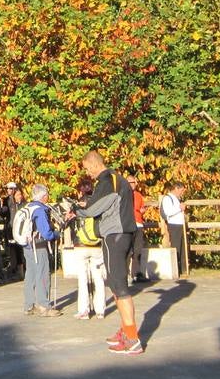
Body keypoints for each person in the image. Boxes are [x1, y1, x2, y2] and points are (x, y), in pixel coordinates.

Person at [80, 151, 143, 355]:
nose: (88, 173)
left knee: (118, 284)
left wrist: (77, 209)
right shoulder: (119, 179)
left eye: (88, 168)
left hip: (115, 235)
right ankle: (126, 330)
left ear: (94, 164)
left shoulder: (106, 180)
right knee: (116, 284)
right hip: (125, 234)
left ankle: (132, 338)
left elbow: (93, 209)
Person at [20, 184, 61, 316]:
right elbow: (46, 233)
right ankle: (44, 306)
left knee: (30, 274)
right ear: (44, 196)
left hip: (27, 245)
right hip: (39, 246)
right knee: (43, 274)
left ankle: (29, 305)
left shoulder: (27, 207)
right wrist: (56, 234)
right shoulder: (40, 210)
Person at [158, 181, 187, 278]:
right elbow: (168, 212)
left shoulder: (177, 199)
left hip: (180, 224)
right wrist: (180, 208)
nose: (182, 193)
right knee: (176, 246)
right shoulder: (167, 198)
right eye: (181, 190)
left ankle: (184, 269)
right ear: (176, 189)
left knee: (183, 246)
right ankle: (176, 269)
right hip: (174, 225)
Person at [127, 176, 147, 282]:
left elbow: (141, 207)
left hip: (138, 224)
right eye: (130, 182)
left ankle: (136, 273)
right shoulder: (123, 194)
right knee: (127, 251)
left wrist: (143, 210)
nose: (132, 184)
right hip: (128, 225)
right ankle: (126, 274)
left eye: (133, 182)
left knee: (137, 250)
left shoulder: (139, 195)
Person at [3, 183, 25, 280]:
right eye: (17, 195)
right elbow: (4, 213)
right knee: (12, 250)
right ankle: (14, 270)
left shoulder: (24, 205)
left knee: (20, 250)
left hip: (21, 230)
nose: (19, 197)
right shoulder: (9, 202)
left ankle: (21, 270)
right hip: (11, 229)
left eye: (20, 195)